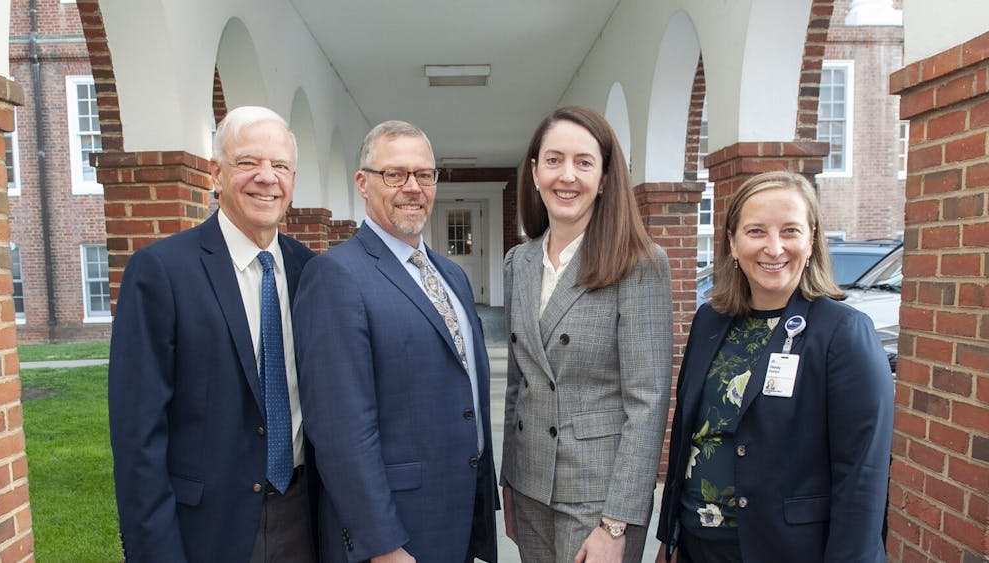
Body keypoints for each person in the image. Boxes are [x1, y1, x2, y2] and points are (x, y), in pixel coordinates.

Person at [108, 106, 317, 562]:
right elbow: (137, 435)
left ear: (293, 181)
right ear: (216, 173)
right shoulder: (162, 272)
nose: (267, 177)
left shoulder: (311, 272)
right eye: (248, 162)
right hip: (206, 528)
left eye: (280, 165)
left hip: (304, 516)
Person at [655, 170, 894, 563]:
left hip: (785, 550)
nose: (774, 247)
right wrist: (671, 536)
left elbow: (862, 477)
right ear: (732, 242)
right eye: (756, 232)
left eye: (790, 231)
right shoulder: (709, 322)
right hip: (696, 546)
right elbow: (690, 435)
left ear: (811, 239)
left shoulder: (844, 333)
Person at [293, 120, 498, 563]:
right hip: (394, 532)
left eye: (424, 175)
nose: (412, 187)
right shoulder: (336, 276)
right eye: (395, 174)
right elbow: (339, 430)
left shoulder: (453, 277)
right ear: (363, 183)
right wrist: (381, 543)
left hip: (458, 516)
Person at [501, 105, 673, 563]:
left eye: (583, 162)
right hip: (531, 484)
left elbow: (648, 401)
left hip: (597, 497)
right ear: (535, 173)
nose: (567, 176)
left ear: (604, 176)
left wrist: (616, 523)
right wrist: (509, 483)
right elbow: (518, 384)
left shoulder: (639, 264)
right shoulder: (518, 264)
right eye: (554, 160)